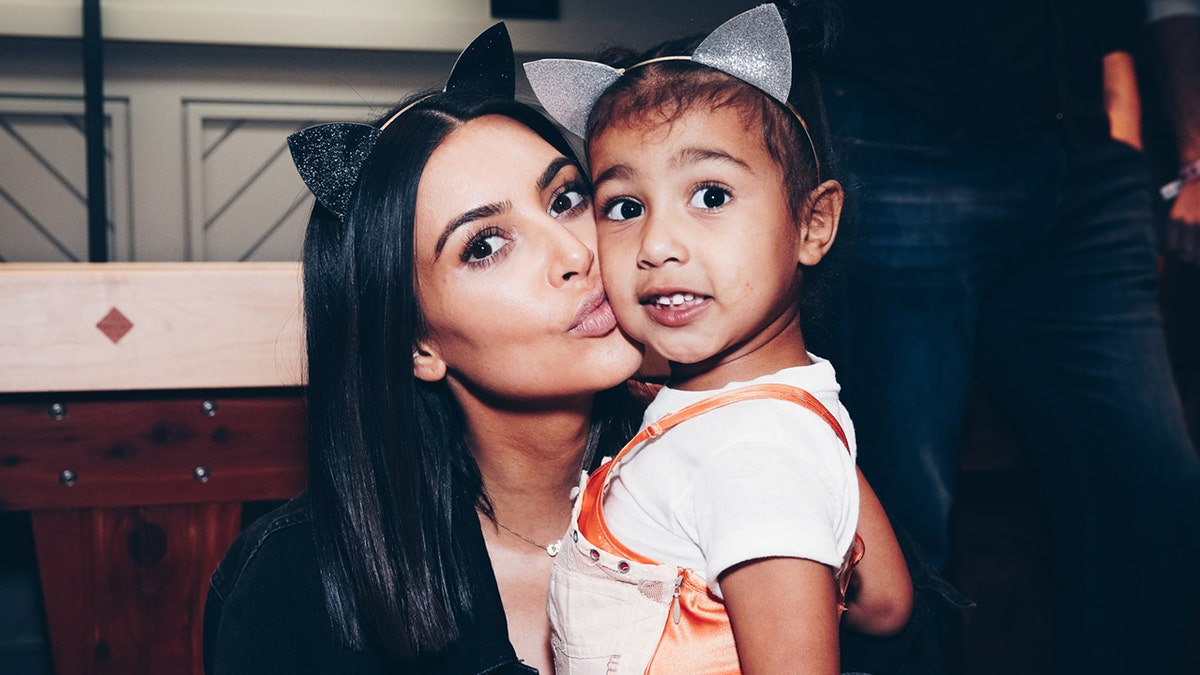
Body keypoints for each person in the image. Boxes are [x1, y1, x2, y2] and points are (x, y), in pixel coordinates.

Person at [204, 21, 910, 675]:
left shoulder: (745, 451)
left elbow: (892, 607)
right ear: (417, 343)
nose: (575, 251)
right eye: (485, 245)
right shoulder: (299, 585)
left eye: (568, 199)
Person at [525, 5, 911, 673]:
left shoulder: (749, 453)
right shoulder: (785, 406)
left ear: (813, 224)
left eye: (710, 195)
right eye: (624, 206)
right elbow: (884, 601)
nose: (658, 244)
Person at [818, 0, 1200, 671]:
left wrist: (1144, 143)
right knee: (899, 534)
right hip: (900, 131)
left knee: (1150, 504)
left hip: (1085, 153)